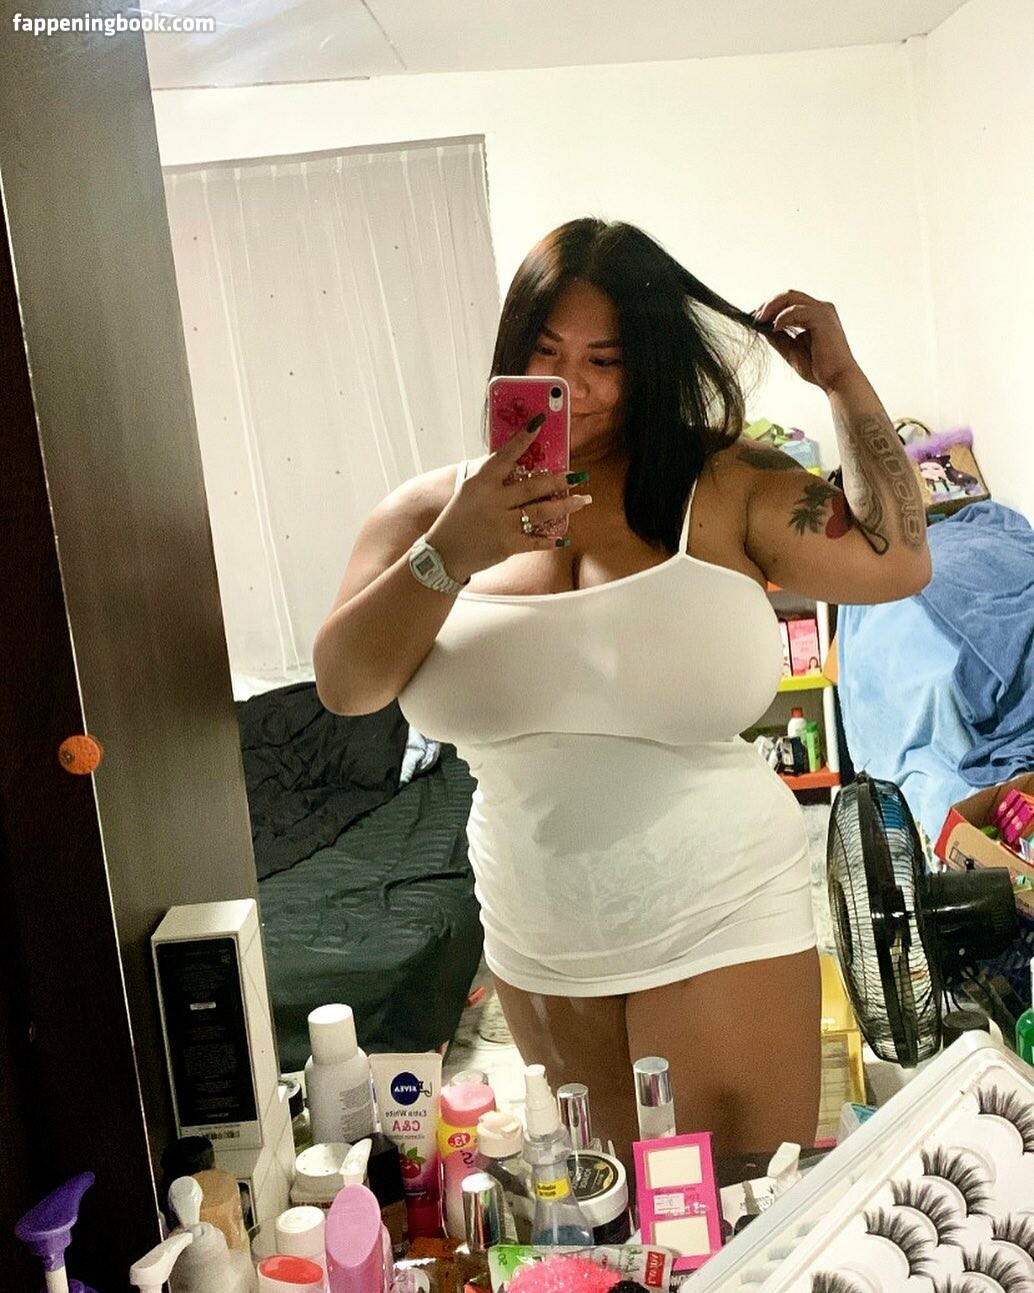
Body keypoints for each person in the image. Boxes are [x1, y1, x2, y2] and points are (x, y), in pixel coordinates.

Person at [313, 218, 931, 1169]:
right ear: (511, 352)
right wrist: (453, 551)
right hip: (537, 938)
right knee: (611, 1222)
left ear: (648, 365)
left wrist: (843, 382)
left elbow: (898, 559)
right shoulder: (429, 512)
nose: (577, 384)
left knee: (737, 1213)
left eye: (606, 360)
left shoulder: (725, 484)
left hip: (721, 911)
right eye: (548, 351)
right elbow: (347, 685)